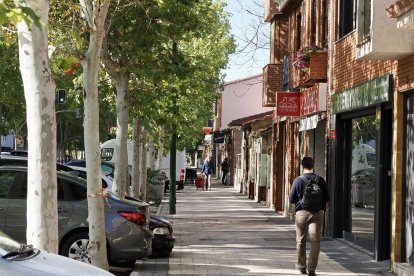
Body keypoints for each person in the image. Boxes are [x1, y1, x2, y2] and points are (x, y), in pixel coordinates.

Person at [288, 156, 329, 276]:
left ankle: (301, 266)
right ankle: (311, 269)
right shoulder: (320, 180)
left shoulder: (298, 180)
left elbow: (291, 200)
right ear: (313, 166)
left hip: (301, 213)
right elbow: (327, 198)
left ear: (302, 167)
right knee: (315, 241)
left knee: (301, 240)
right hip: (317, 213)